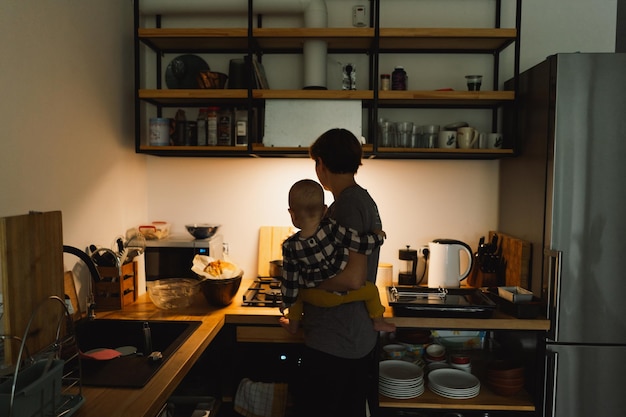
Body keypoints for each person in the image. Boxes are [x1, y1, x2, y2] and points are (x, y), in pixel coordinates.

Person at [293, 128, 386, 417]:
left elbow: (353, 277)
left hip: (337, 343)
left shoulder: (346, 206)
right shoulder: (357, 200)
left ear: (320, 164)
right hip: (348, 338)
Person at [279, 179, 396, 334]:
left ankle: (292, 324)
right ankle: (379, 321)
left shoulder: (289, 246)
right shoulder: (332, 229)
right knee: (371, 291)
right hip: (339, 297)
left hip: (313, 297)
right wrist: (378, 237)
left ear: (292, 214)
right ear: (325, 210)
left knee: (297, 294)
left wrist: (286, 303)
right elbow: (358, 243)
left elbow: (290, 282)